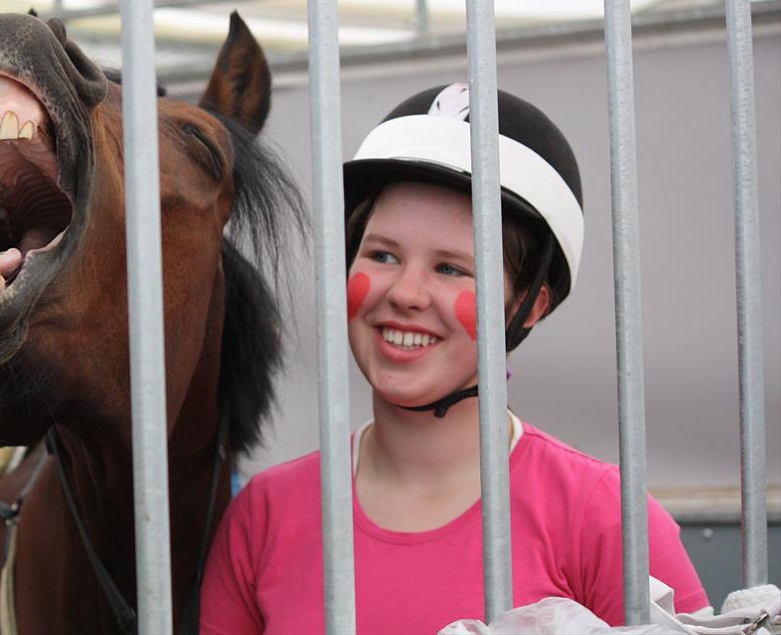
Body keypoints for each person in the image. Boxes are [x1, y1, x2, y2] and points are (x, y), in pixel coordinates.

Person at [199, 83, 708, 634]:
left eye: (451, 269)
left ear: (530, 305)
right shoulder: (264, 515)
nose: (406, 293)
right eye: (383, 254)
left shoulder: (606, 517)